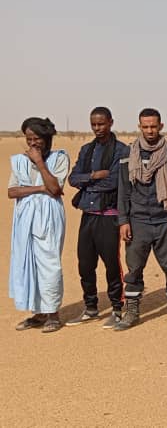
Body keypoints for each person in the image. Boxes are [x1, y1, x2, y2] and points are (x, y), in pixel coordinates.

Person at [114, 108, 167, 331]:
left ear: (160, 126)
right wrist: (123, 221)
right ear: (139, 127)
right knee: (134, 268)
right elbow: (123, 190)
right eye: (145, 127)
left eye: (153, 126)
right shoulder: (129, 153)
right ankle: (132, 311)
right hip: (137, 221)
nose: (149, 131)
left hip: (165, 219)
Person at [65, 107, 129, 328]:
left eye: (101, 124)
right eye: (93, 124)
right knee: (85, 264)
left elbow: (114, 182)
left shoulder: (121, 150)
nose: (97, 128)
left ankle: (117, 308)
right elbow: (73, 179)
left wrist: (87, 183)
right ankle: (91, 307)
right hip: (88, 215)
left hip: (109, 216)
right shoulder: (87, 149)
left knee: (111, 264)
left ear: (111, 122)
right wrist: (93, 175)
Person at [8, 117, 70, 333]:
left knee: (49, 263)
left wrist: (40, 163)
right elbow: (12, 191)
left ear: (46, 138)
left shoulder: (59, 158)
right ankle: (39, 313)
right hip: (24, 218)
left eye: (36, 139)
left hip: (49, 217)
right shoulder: (19, 161)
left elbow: (55, 188)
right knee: (29, 263)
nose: (32, 143)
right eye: (29, 139)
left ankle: (53, 314)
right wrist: (39, 189)